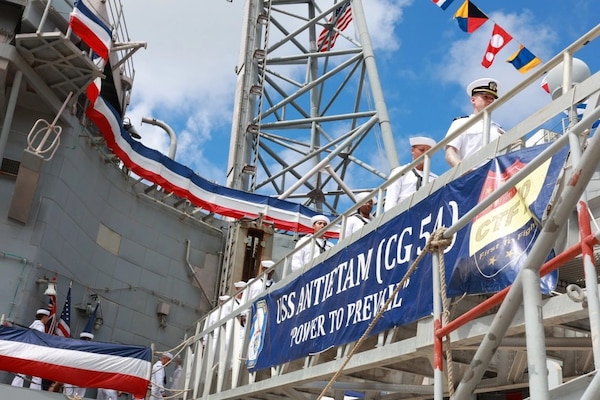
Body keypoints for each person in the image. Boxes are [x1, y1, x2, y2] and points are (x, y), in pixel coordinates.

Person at [445, 78, 505, 167]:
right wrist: (463, 170)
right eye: (485, 97)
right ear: (473, 100)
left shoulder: (499, 129)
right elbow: (450, 152)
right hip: (473, 175)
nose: (490, 100)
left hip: (497, 175)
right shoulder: (461, 123)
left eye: (492, 98)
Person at [384, 136, 438, 212]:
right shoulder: (400, 172)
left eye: (429, 151)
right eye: (421, 150)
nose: (426, 153)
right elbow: (391, 200)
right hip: (404, 215)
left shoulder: (435, 178)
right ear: (412, 151)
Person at [11, 308, 50, 390]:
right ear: (44, 317)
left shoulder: (33, 325)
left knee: (21, 372)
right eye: (47, 317)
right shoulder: (40, 326)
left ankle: (15, 388)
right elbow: (37, 340)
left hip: (26, 351)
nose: (47, 319)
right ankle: (35, 392)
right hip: (34, 352)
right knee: (37, 375)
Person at [63, 326, 96, 398]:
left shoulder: (75, 348)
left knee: (72, 395)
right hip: (75, 375)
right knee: (72, 395)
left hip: (77, 376)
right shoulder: (86, 351)